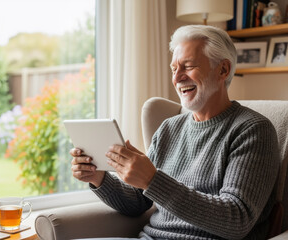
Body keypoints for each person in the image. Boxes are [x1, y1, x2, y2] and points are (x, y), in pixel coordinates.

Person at [70, 25, 280, 240]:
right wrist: (100, 178)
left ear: (223, 70)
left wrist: (152, 180)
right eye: (174, 69)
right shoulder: (169, 128)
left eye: (187, 66)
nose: (177, 78)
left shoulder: (253, 130)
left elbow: (236, 220)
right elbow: (139, 203)